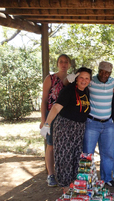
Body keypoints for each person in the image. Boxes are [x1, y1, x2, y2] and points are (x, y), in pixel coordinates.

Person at [40, 67, 92, 191]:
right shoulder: (68, 90)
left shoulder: (86, 91)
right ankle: (65, 189)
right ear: (76, 78)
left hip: (78, 129)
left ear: (90, 80)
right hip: (65, 128)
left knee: (75, 157)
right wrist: (47, 124)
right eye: (81, 77)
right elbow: (56, 108)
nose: (83, 81)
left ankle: (73, 186)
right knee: (64, 157)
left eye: (87, 78)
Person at [82, 61, 114, 186]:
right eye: (102, 71)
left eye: (107, 72)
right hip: (92, 123)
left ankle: (106, 179)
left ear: (110, 73)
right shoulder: (90, 82)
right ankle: (87, 180)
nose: (104, 74)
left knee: (108, 154)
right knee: (88, 153)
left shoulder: (113, 82)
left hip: (108, 124)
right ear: (98, 70)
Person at [39, 54, 71, 187]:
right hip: (51, 116)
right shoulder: (50, 78)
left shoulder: (72, 79)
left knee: (64, 145)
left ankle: (64, 173)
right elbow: (44, 99)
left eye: (66, 62)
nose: (63, 64)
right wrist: (43, 119)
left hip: (66, 117)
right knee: (51, 145)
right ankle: (50, 175)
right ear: (57, 63)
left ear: (69, 64)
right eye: (61, 62)